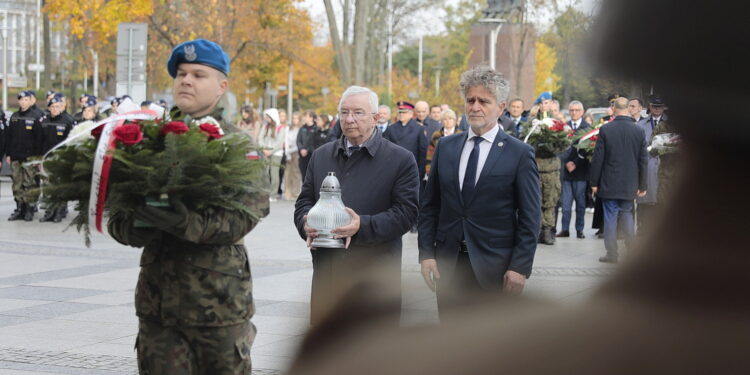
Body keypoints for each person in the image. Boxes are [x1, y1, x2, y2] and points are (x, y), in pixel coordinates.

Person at [106, 38, 269, 374]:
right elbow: (118, 217)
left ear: (222, 86)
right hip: (159, 308)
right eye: (181, 74)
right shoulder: (147, 140)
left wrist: (179, 220)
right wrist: (140, 223)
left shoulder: (237, 145)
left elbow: (243, 217)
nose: (186, 81)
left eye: (198, 74)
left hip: (219, 307)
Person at [418, 66, 541, 312]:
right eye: (470, 100)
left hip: (494, 268)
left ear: (501, 107)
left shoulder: (519, 153)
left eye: (484, 101)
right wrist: (426, 254)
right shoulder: (446, 146)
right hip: (449, 266)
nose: (475, 107)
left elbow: (530, 217)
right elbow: (430, 205)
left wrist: (519, 267)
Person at [294, 85, 419, 325]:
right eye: (344, 112)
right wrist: (305, 223)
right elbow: (304, 201)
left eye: (358, 113)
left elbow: (406, 214)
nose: (349, 119)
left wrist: (361, 225)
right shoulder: (321, 155)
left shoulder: (401, 159)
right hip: (328, 278)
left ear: (375, 117)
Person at [589, 97, 648, 263]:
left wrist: (594, 182)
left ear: (614, 109)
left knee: (610, 217)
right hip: (630, 182)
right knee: (627, 215)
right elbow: (643, 159)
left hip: (609, 182)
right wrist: (643, 184)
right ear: (628, 109)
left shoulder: (606, 129)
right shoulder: (638, 131)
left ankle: (612, 254)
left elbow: (598, 158)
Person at [6, 90, 45, 221]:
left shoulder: (35, 117)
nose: (23, 102)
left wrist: (37, 157)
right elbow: (9, 136)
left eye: (26, 100)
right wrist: (9, 154)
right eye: (21, 100)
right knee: (17, 183)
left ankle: (29, 209)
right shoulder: (14, 116)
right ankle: (19, 208)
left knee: (29, 183)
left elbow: (39, 139)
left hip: (29, 157)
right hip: (16, 156)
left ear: (30, 101)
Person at [37, 94, 76, 222]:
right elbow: (39, 140)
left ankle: (59, 211)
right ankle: (49, 212)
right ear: (49, 108)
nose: (55, 109)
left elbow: (72, 142)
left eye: (58, 106)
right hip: (47, 158)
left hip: (61, 159)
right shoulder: (44, 121)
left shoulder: (67, 121)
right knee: (47, 186)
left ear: (62, 107)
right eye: (52, 107)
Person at [558, 100, 591, 238]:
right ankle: (565, 229)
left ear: (582, 112)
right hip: (566, 172)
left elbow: (588, 150)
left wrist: (575, 163)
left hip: (580, 172)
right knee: (565, 205)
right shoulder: (563, 127)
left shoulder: (588, 128)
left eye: (577, 110)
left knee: (580, 204)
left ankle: (579, 229)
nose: (574, 113)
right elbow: (559, 147)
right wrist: (566, 162)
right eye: (571, 110)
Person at [383, 101, 427, 181]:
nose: (401, 114)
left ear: (411, 114)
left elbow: (422, 151)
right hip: (394, 167)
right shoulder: (391, 128)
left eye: (404, 112)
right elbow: (385, 149)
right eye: (400, 112)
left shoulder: (419, 128)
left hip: (411, 167)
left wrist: (421, 171)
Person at [632, 97, 658, 232]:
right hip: (646, 166)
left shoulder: (671, 124)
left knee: (661, 200)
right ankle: (642, 228)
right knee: (643, 200)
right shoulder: (641, 125)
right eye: (654, 106)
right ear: (650, 107)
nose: (657, 109)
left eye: (660, 106)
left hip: (664, 167)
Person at [258, 108, 286, 200]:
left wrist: (270, 151)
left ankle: (273, 194)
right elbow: (260, 138)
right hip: (265, 152)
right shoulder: (265, 126)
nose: (266, 119)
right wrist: (264, 149)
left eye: (268, 117)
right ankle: (264, 193)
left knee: (274, 174)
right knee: (265, 173)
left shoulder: (280, 127)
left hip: (276, 153)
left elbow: (279, 143)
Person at [425, 109, 462, 177]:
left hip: (457, 170)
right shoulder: (436, 134)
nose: (448, 121)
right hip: (439, 169)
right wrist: (428, 170)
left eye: (450, 118)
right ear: (441, 121)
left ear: (454, 121)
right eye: (445, 119)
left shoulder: (461, 135)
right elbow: (430, 153)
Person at [284, 112, 302, 200]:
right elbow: (286, 141)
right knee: (288, 173)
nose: (295, 120)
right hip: (288, 152)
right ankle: (288, 193)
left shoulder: (300, 129)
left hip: (296, 152)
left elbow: (298, 143)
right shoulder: (288, 128)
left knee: (296, 173)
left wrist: (291, 151)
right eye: (293, 118)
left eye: (297, 118)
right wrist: (287, 154)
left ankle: (296, 192)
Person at [297, 110, 318, 180]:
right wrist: (301, 149)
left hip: (311, 155)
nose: (304, 118)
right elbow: (298, 140)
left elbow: (314, 142)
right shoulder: (302, 128)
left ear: (311, 117)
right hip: (302, 155)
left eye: (306, 116)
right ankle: (305, 190)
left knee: (312, 176)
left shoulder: (316, 128)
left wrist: (307, 150)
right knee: (303, 175)